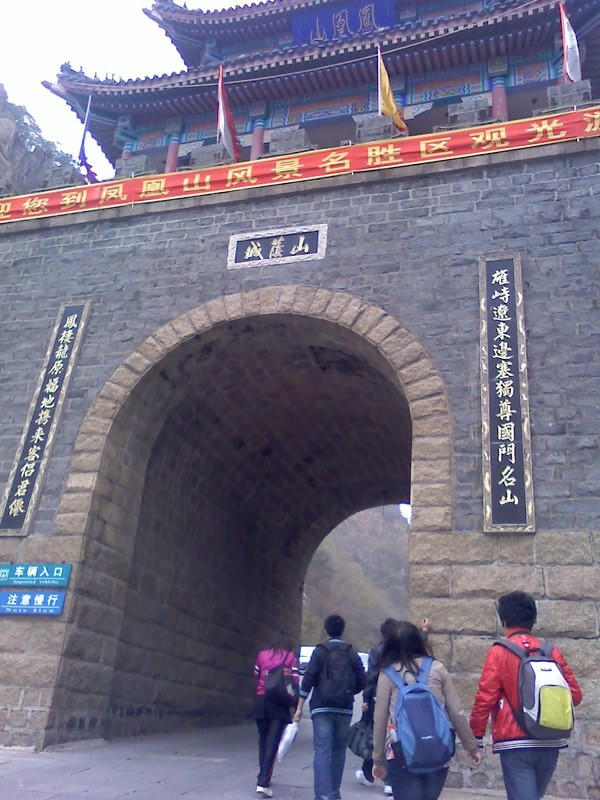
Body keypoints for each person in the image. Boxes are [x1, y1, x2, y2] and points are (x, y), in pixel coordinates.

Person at [470, 591, 582, 800]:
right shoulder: (551, 651)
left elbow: (485, 698)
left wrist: (476, 736)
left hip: (514, 741)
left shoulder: (498, 652)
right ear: (533, 619)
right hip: (550, 738)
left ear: (504, 621)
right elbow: (575, 695)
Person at [372, 621, 482, 800]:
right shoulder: (437, 668)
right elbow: (456, 712)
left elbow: (380, 718)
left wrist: (378, 760)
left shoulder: (388, 674)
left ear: (390, 645)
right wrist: (472, 747)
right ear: (418, 641)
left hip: (401, 755)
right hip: (437, 752)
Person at [294, 614, 367, 800]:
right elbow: (363, 679)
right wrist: (350, 691)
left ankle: (322, 796)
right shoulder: (350, 652)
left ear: (325, 630)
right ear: (342, 630)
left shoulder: (320, 651)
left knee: (322, 751)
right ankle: (334, 794)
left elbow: (308, 680)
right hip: (344, 708)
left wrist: (299, 707)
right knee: (339, 750)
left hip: (321, 708)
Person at [356, 618, 431, 796]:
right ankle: (387, 780)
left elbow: (371, 677)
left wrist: (366, 698)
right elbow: (420, 652)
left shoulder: (377, 650)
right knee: (397, 735)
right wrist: (424, 632)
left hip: (379, 695)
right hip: (402, 697)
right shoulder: (407, 652)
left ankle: (374, 771)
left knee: (380, 734)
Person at [253, 631, 299, 798]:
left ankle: (263, 775)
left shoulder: (262, 655)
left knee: (263, 740)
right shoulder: (290, 657)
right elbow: (294, 680)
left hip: (261, 701)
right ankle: (263, 781)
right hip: (279, 704)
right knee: (273, 742)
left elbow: (256, 675)